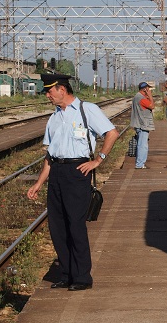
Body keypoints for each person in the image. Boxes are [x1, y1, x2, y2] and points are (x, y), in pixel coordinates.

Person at [27, 73, 119, 291]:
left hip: (77, 171)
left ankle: (82, 276)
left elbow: (112, 133)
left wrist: (99, 160)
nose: (47, 95)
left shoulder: (87, 110)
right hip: (57, 172)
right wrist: (39, 182)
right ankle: (67, 274)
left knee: (75, 225)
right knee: (57, 227)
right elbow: (50, 155)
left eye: (49, 91)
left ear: (62, 89)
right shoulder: (54, 117)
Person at [130, 81, 155, 169]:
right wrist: (150, 96)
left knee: (141, 144)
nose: (149, 90)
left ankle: (140, 163)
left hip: (139, 123)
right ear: (145, 89)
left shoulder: (137, 96)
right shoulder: (141, 98)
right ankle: (140, 164)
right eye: (148, 88)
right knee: (142, 145)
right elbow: (152, 106)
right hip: (143, 124)